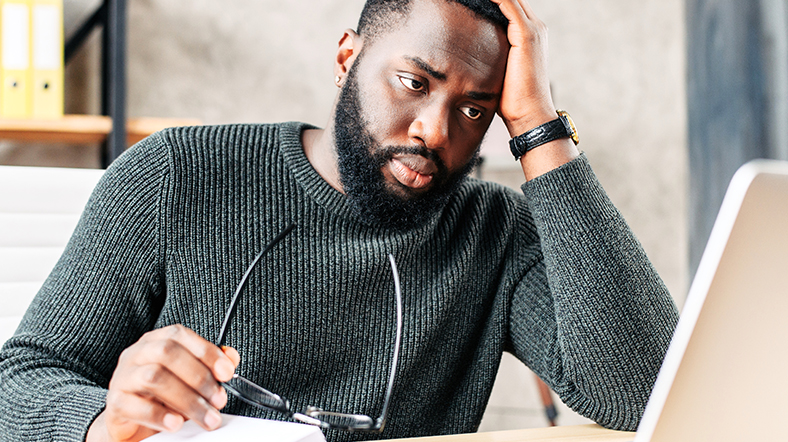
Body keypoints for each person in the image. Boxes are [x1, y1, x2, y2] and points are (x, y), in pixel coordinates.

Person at [0, 0, 679, 441]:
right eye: (414, 82)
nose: (433, 131)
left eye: (475, 109)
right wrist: (99, 422)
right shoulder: (179, 172)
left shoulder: (494, 231)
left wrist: (538, 125)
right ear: (347, 59)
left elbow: (649, 394)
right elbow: (20, 382)